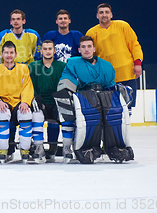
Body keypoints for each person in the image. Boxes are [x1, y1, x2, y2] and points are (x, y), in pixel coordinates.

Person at [54, 36, 133, 164]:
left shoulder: (106, 65)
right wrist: (67, 93)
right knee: (90, 116)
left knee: (114, 114)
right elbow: (67, 81)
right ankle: (83, 148)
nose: (86, 49)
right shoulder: (73, 63)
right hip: (84, 99)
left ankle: (115, 147)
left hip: (104, 98)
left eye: (89, 46)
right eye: (83, 47)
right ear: (79, 49)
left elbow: (110, 84)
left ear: (94, 49)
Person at [0, 41, 44, 164]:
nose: (9, 55)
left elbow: (28, 87)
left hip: (18, 102)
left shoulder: (23, 68)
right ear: (1, 54)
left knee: (26, 114)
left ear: (16, 54)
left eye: (11, 52)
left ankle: (25, 149)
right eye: (6, 52)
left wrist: (25, 102)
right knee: (2, 114)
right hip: (2, 102)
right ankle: (2, 150)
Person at [86, 3, 143, 112]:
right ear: (97, 16)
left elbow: (134, 45)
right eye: (101, 12)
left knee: (128, 108)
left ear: (111, 14)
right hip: (107, 77)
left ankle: (124, 129)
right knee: (110, 109)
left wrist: (137, 63)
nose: (104, 15)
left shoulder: (123, 26)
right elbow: (90, 55)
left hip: (127, 73)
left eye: (107, 12)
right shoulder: (92, 32)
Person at [28, 40, 66, 162]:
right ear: (41, 50)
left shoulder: (61, 66)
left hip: (56, 102)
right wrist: (34, 97)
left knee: (64, 116)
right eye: (45, 49)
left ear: (54, 51)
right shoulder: (33, 66)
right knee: (35, 115)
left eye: (50, 49)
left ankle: (55, 147)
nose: (48, 51)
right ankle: (38, 147)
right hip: (41, 102)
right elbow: (30, 86)